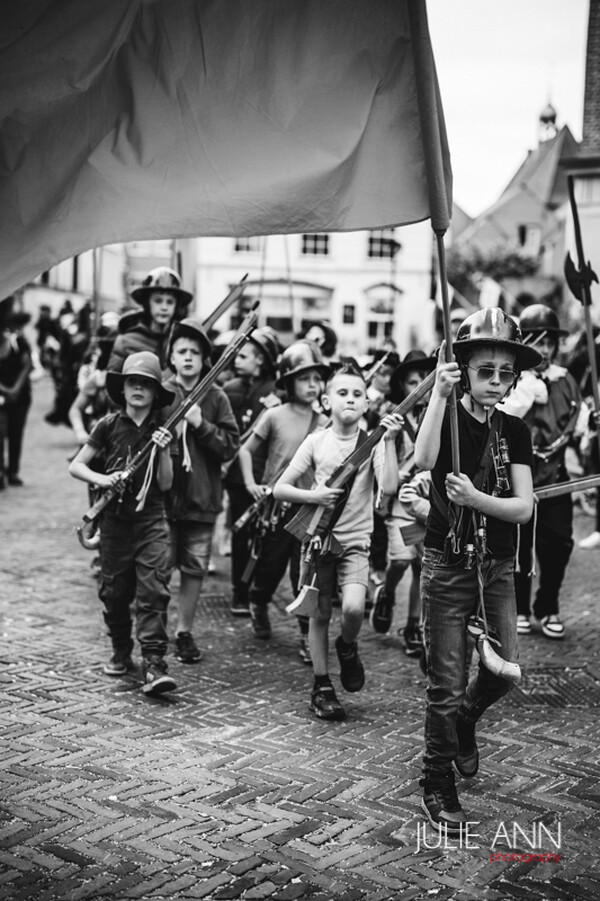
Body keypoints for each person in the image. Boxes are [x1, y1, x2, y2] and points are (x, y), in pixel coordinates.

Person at [414, 308, 541, 834]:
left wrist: (478, 498)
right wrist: (438, 397)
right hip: (447, 564)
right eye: (484, 369)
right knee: (445, 682)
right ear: (463, 367)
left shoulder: (515, 429)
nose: (494, 381)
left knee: (504, 668)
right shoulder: (444, 411)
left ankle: (468, 719)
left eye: (504, 372)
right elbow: (423, 461)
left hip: (497, 568)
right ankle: (435, 779)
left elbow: (523, 507)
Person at [274, 362, 403, 721]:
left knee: (351, 609)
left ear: (366, 404)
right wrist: (315, 497)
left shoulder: (374, 443)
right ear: (326, 401)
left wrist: (389, 442)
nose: (350, 399)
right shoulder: (316, 441)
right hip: (318, 544)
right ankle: (321, 685)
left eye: (357, 394)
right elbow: (280, 488)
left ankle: (347, 645)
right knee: (318, 615)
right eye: (342, 393)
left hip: (356, 544)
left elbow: (389, 487)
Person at [69, 351, 178, 696]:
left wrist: (162, 450)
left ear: (155, 392)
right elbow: (77, 466)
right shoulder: (107, 425)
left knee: (153, 591)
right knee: (114, 593)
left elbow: (164, 484)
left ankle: (154, 661)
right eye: (133, 382)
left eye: (146, 384)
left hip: (151, 521)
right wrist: (104, 480)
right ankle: (120, 649)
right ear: (123, 387)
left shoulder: (162, 432)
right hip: (114, 523)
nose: (138, 389)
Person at [238, 340, 329, 660]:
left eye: (317, 379)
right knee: (269, 567)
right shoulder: (274, 415)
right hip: (278, 509)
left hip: (310, 509)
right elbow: (246, 450)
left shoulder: (325, 422)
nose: (313, 385)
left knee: (304, 574)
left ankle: (307, 636)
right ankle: (258, 602)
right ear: (288, 381)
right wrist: (251, 483)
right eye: (305, 378)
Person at [501, 304, 587, 639]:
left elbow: (578, 430)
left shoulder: (566, 381)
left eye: (550, 343)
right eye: (538, 342)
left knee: (560, 543)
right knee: (519, 547)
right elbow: (503, 419)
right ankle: (520, 607)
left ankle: (548, 605)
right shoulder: (512, 378)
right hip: (519, 477)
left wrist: (592, 426)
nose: (546, 349)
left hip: (557, 477)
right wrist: (525, 393)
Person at [163, 318, 239, 663]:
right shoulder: (160, 391)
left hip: (202, 499)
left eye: (195, 351)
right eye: (182, 351)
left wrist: (200, 424)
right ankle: (153, 633)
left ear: (205, 358)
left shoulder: (217, 396)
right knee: (157, 571)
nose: (189, 357)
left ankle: (184, 632)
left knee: (193, 569)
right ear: (172, 357)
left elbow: (229, 447)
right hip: (162, 501)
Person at [370, 350, 435, 653]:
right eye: (412, 382)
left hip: (427, 499)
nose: (420, 386)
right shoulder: (394, 419)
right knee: (401, 559)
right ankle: (387, 590)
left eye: (424, 379)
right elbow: (386, 467)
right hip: (401, 502)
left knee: (422, 566)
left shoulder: (437, 414)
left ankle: (413, 627)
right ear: (402, 386)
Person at [222, 328, 281, 616]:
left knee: (267, 536)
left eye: (244, 355)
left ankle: (258, 588)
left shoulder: (277, 392)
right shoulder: (231, 389)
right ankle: (239, 591)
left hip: (268, 475)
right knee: (240, 531)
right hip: (237, 476)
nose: (236, 360)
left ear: (260, 360)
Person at [108, 267, 193, 372]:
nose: (164, 307)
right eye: (158, 301)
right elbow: (113, 382)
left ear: (176, 306)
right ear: (147, 303)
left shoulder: (185, 341)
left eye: (170, 302)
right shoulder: (125, 341)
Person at [0, 297, 33, 488]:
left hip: (20, 396)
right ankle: (1, 471)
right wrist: (4, 390)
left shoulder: (18, 340)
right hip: (3, 396)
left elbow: (27, 364)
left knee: (16, 433)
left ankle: (13, 471)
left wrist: (15, 389)